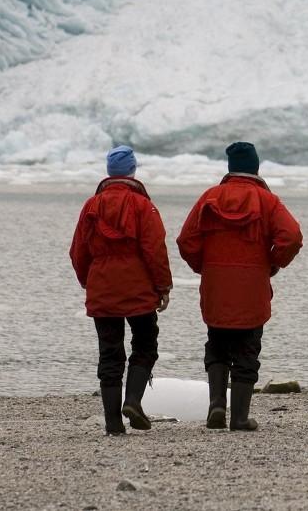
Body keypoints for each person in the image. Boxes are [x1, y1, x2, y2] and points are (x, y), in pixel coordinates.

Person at [177, 141, 303, 431]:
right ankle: (240, 417)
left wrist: (204, 267)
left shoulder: (210, 197)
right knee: (247, 350)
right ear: (256, 168)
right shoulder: (267, 201)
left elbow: (186, 241)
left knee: (217, 345)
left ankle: (217, 406)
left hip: (216, 286)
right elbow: (292, 237)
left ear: (231, 168)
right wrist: (272, 263)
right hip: (252, 287)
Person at [70, 145, 173, 435]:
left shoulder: (91, 206)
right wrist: (163, 286)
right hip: (138, 288)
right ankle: (133, 400)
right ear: (132, 170)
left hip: (102, 286)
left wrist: (89, 282)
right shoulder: (143, 206)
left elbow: (78, 251)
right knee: (145, 343)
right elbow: (155, 249)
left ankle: (114, 422)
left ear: (108, 172)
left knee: (109, 353)